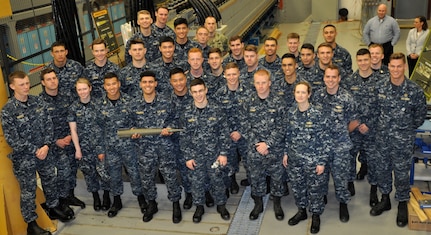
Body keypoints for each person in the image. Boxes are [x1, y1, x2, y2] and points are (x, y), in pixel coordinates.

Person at [2, 71, 74, 235]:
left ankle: (53, 207)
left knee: (50, 181)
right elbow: (12, 139)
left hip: (45, 152)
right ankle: (31, 224)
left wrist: (46, 146)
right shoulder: (8, 111)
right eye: (22, 85)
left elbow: (49, 125)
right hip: (25, 159)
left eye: (27, 83)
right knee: (28, 191)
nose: (26, 87)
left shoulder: (38, 101)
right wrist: (36, 150)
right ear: (12, 86)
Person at [370, 52, 427, 227]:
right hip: (382, 139)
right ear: (388, 67)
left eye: (399, 66)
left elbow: (420, 115)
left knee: (402, 173)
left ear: (404, 66)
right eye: (392, 66)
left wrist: (406, 129)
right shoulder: (379, 88)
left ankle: (402, 202)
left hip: (403, 140)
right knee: (383, 170)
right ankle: (385, 198)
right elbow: (373, 112)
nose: (395, 70)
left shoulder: (414, 90)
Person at [129, 71, 182, 223]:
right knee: (147, 179)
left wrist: (170, 128)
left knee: (170, 177)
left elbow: (176, 120)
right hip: (144, 149)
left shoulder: (166, 102)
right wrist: (133, 131)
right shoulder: (133, 104)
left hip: (164, 146)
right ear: (140, 84)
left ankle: (175, 204)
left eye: (150, 82)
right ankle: (152, 204)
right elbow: (128, 124)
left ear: (156, 83)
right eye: (144, 82)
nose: (148, 85)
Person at [179, 78, 231, 223]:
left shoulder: (217, 109)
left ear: (206, 90)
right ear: (190, 93)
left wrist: (223, 153)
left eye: (201, 91)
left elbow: (224, 133)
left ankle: (221, 205)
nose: (198, 94)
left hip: (215, 155)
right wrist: (188, 157)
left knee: (218, 181)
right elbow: (184, 137)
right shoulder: (186, 112)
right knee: (196, 182)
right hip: (196, 156)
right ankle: (199, 207)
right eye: (195, 92)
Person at [312, 65, 358, 223]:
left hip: (340, 146)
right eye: (327, 77)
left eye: (333, 77)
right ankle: (322, 197)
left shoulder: (347, 97)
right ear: (324, 78)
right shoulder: (317, 97)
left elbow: (354, 120)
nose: (330, 80)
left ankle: (343, 203)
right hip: (321, 146)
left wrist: (343, 133)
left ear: (339, 78)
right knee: (321, 176)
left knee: (341, 177)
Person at [283, 81, 329, 234]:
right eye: (298, 92)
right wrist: (285, 153)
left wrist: (321, 162)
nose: (300, 95)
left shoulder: (318, 114)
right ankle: (301, 211)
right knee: (298, 187)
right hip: (295, 159)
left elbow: (325, 140)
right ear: (294, 94)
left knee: (315, 189)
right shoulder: (291, 113)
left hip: (313, 160)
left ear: (309, 94)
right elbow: (288, 135)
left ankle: (316, 215)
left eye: (303, 92)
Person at [98, 72, 146, 217]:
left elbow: (138, 121)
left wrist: (136, 131)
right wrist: (100, 150)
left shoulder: (130, 101)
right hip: (110, 148)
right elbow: (98, 129)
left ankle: (141, 198)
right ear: (104, 87)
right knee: (114, 175)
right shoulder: (100, 105)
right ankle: (116, 201)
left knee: (135, 173)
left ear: (119, 84)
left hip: (130, 146)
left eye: (114, 83)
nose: (112, 87)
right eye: (108, 85)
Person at [242, 69, 286, 221]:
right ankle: (258, 204)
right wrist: (258, 145)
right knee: (256, 178)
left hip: (274, 149)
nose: (261, 86)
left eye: (264, 83)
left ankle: (277, 204)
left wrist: (268, 144)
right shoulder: (247, 102)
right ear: (254, 84)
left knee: (277, 178)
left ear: (269, 83)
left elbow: (282, 126)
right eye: (258, 83)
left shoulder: (278, 102)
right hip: (254, 150)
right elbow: (245, 125)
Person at [38, 68, 85, 209]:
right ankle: (60, 200)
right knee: (60, 172)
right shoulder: (39, 102)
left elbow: (76, 116)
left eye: (54, 78)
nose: (52, 81)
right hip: (52, 144)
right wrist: (55, 141)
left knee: (71, 169)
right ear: (43, 82)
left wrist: (71, 136)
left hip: (70, 139)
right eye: (49, 79)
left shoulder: (68, 96)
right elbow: (38, 127)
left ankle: (69, 195)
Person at [342, 49, 380, 207]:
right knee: (350, 157)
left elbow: (382, 107)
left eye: (366, 60)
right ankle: (349, 183)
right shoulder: (349, 81)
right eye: (361, 60)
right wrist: (355, 123)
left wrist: (369, 125)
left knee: (374, 160)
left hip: (372, 129)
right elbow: (345, 106)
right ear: (357, 61)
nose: (363, 63)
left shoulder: (381, 81)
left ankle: (373, 190)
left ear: (371, 59)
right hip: (354, 128)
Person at [68, 78, 110, 212]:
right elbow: (73, 130)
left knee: (103, 172)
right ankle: (96, 196)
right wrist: (77, 149)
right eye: (79, 89)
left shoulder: (99, 104)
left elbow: (106, 127)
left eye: (84, 88)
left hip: (100, 146)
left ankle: (107, 195)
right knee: (89, 173)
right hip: (84, 147)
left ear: (90, 88)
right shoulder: (73, 107)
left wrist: (104, 147)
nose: (82, 92)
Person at [214, 62, 251, 195]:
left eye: (234, 74)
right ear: (224, 75)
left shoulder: (248, 91)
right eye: (228, 74)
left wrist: (240, 131)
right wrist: (229, 132)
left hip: (245, 133)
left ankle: (252, 179)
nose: (232, 77)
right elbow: (218, 117)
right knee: (230, 160)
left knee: (248, 160)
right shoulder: (219, 94)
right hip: (227, 134)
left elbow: (252, 114)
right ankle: (232, 180)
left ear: (239, 74)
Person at [168, 68, 194, 210]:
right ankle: (189, 193)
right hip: (177, 142)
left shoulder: (195, 95)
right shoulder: (166, 100)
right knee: (184, 169)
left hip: (196, 139)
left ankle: (206, 192)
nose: (178, 83)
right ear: (171, 82)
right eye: (175, 80)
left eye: (181, 79)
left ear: (186, 79)